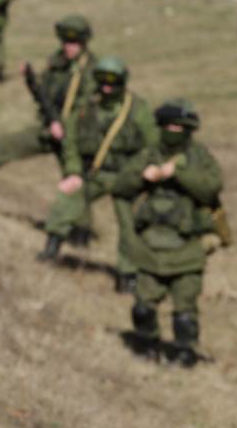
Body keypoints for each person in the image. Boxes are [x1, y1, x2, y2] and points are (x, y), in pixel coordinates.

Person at [116, 99, 223, 366]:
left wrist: (179, 173)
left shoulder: (199, 157)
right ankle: (148, 347)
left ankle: (185, 354)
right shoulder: (148, 155)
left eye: (179, 127)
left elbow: (211, 187)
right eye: (168, 126)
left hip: (187, 249)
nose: (173, 131)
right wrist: (143, 176)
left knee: (184, 313)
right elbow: (120, 186)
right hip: (150, 249)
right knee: (142, 308)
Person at [41, 55, 157, 293]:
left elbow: (153, 145)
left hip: (127, 177)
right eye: (102, 79)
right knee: (68, 198)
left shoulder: (138, 110)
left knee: (130, 225)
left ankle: (127, 276)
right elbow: (70, 141)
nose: (107, 86)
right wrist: (73, 172)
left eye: (113, 80)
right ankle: (51, 248)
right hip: (95, 173)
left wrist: (144, 172)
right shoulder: (86, 108)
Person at [0, 15, 98, 189]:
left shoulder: (91, 70)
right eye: (65, 42)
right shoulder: (58, 62)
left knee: (75, 186)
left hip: (73, 138)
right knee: (2, 146)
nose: (68, 47)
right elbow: (44, 94)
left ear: (83, 43)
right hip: (49, 129)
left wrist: (63, 126)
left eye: (74, 43)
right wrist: (31, 79)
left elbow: (86, 106)